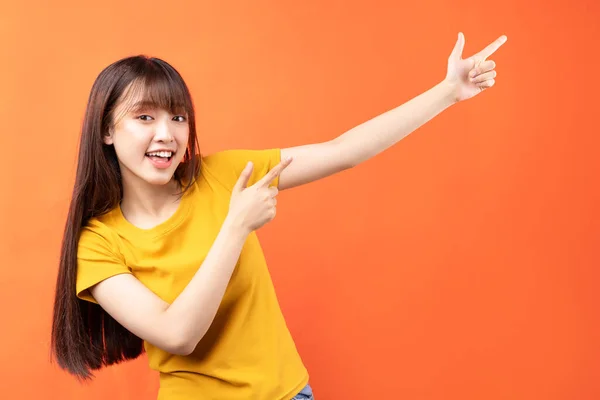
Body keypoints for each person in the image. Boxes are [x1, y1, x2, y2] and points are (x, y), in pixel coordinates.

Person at [50, 32, 507, 400]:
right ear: (107, 129)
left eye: (178, 117)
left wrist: (447, 93)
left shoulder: (223, 174)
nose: (167, 134)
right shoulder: (99, 243)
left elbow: (342, 152)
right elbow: (178, 334)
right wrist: (236, 226)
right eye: (144, 118)